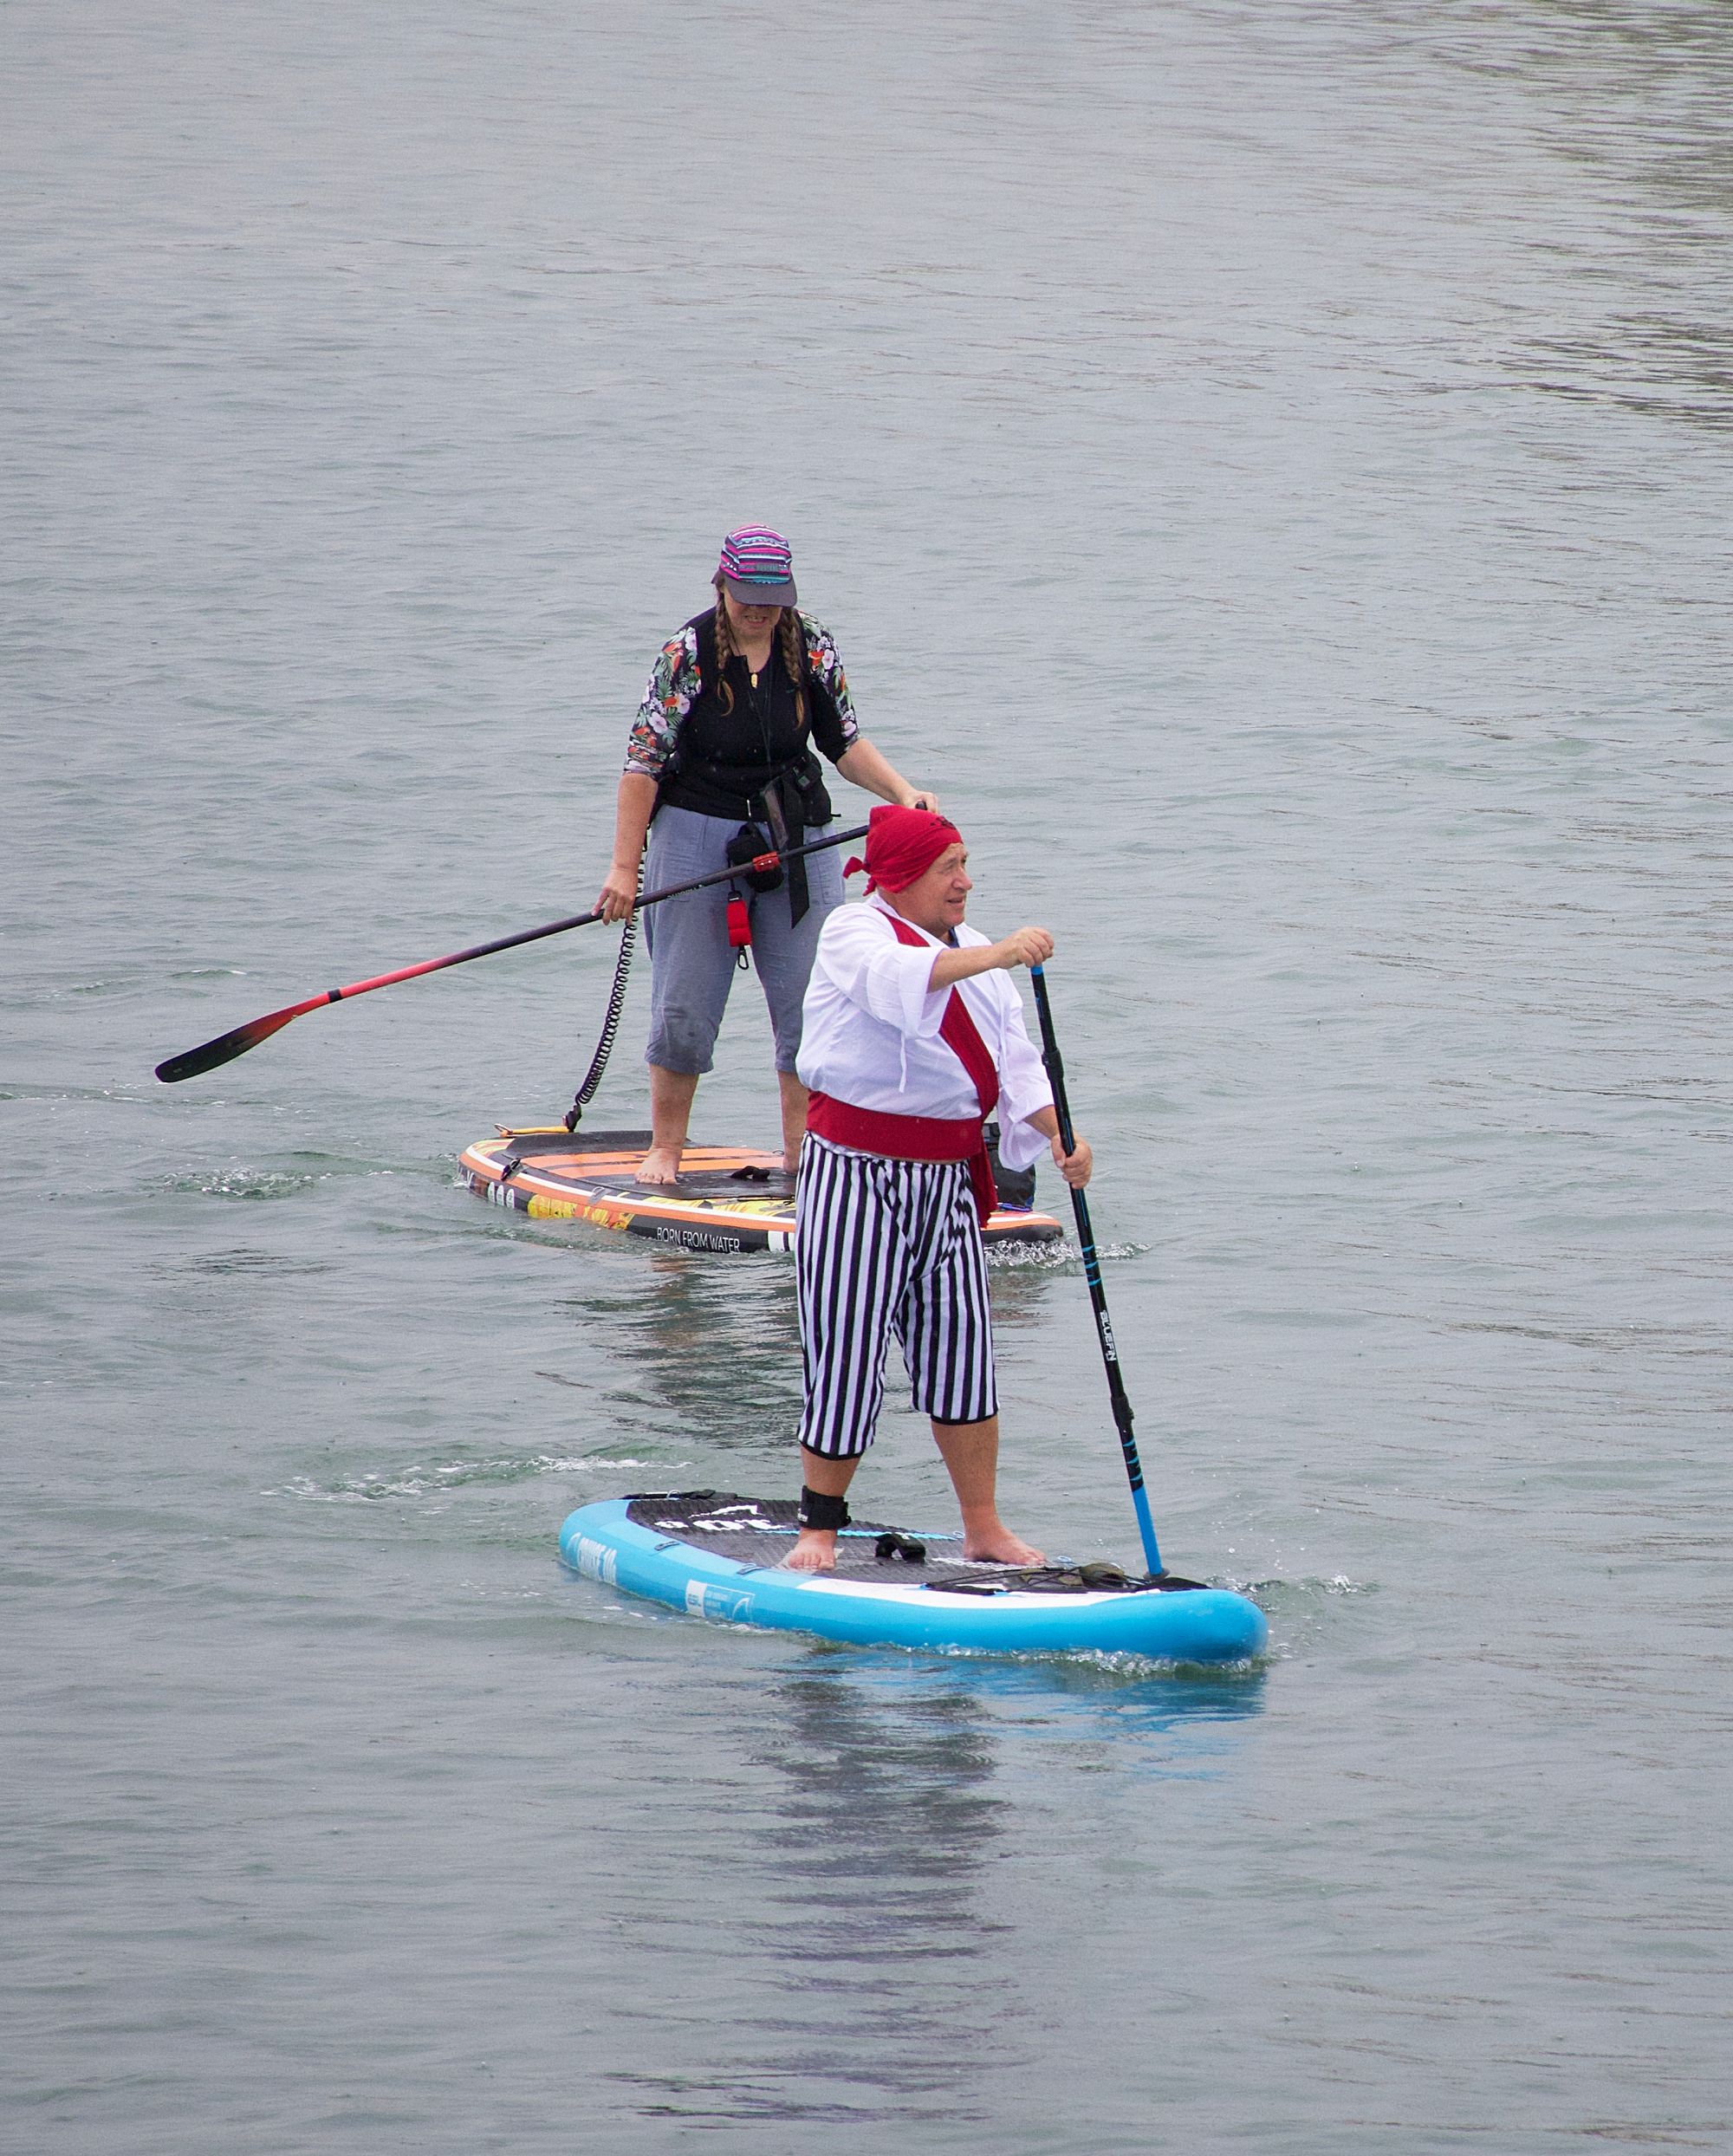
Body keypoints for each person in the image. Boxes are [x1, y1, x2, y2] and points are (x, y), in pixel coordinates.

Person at [785, 803, 1094, 1574]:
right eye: (948, 869)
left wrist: (1059, 1135)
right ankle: (818, 1530)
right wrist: (993, 960)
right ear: (898, 879)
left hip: (949, 1180)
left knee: (963, 1352)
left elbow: (1016, 1061)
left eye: (964, 864)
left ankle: (983, 1527)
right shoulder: (853, 933)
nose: (965, 883)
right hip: (855, 1171)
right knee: (847, 1346)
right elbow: (903, 981)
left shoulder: (979, 950)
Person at [595, 528, 935, 1185]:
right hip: (696, 834)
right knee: (684, 1005)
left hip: (794, 832)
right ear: (721, 585)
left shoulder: (811, 642)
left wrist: (902, 791)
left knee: (812, 1002)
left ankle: (804, 1157)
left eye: (773, 597)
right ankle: (667, 1147)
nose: (761, 609)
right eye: (749, 596)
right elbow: (642, 766)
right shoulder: (686, 653)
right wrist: (622, 869)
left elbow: (844, 743)